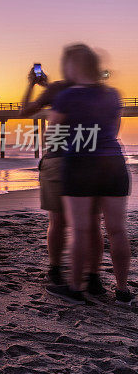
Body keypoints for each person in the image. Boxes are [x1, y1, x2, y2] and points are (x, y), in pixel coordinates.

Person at [45, 44, 132, 306]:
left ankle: (75, 288)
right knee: (117, 230)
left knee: (81, 228)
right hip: (113, 164)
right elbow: (112, 130)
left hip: (81, 165)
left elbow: (54, 135)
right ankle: (122, 290)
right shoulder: (113, 95)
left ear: (73, 66)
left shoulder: (67, 97)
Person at [19, 66, 105, 287]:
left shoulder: (59, 89)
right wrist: (48, 86)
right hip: (91, 160)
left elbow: (25, 111)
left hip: (59, 158)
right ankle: (94, 278)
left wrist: (32, 84)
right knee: (93, 222)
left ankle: (56, 271)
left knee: (57, 221)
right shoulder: (98, 91)